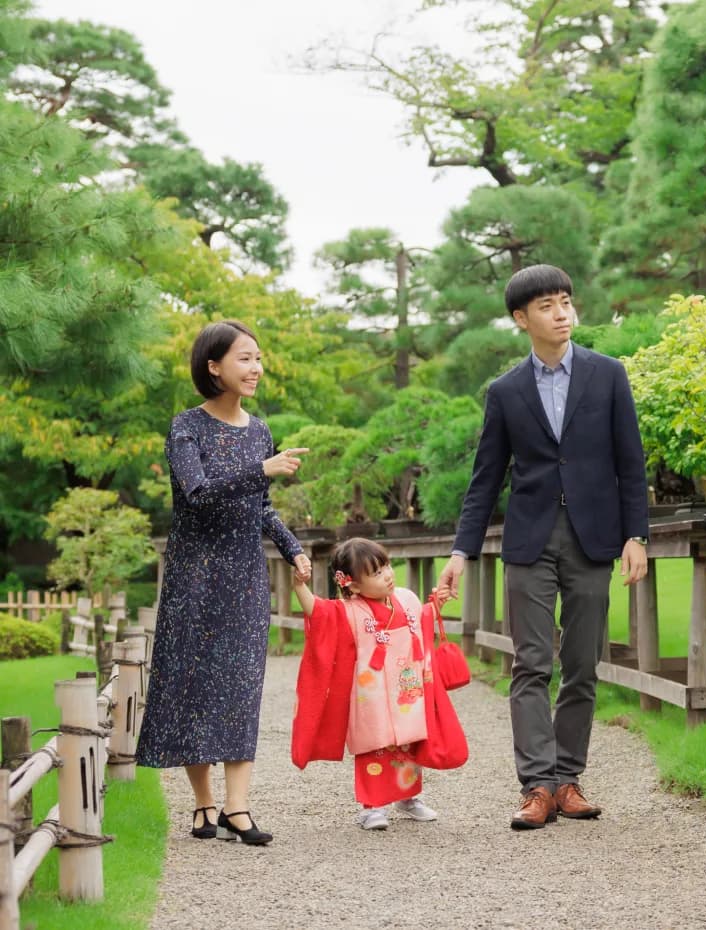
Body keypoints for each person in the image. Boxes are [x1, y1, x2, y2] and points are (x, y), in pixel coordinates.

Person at [437, 264, 649, 830]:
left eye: (565, 302)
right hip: (529, 541)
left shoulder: (608, 375)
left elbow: (631, 463)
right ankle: (537, 786)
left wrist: (636, 535)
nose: (562, 313)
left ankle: (569, 780)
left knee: (581, 664)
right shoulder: (506, 391)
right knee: (530, 663)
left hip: (593, 538)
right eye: (548, 306)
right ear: (521, 318)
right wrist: (462, 551)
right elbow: (486, 479)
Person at [135, 319, 312, 846]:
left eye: (258, 358)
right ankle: (203, 803)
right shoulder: (185, 427)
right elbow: (199, 493)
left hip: (244, 577)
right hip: (195, 577)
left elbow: (260, 507)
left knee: (239, 691)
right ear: (214, 366)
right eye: (244, 358)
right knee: (195, 691)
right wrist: (263, 469)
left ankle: (238, 810)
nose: (255, 368)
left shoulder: (259, 431)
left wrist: (292, 546)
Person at [291, 538, 453, 831]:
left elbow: (423, 621)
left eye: (387, 566)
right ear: (353, 585)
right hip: (371, 695)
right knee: (373, 746)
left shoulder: (406, 598)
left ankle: (408, 797)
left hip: (405, 690)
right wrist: (299, 587)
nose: (388, 575)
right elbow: (318, 612)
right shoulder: (349, 611)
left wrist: (436, 604)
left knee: (408, 741)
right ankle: (371, 806)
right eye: (377, 573)